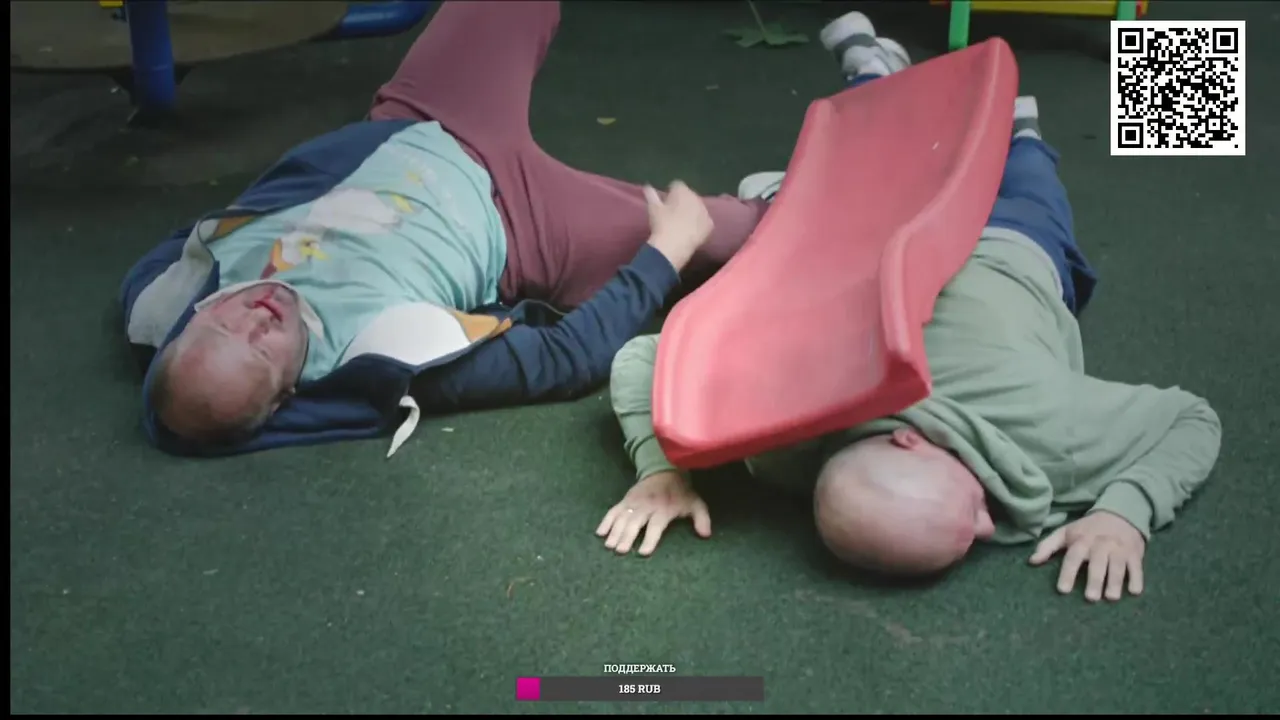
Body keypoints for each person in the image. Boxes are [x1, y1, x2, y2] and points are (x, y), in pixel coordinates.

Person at [597, 12, 1222, 603]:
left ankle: (888, 82)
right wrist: (1124, 512)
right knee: (1009, 169)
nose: (989, 527)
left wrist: (659, 468)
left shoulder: (1048, 427)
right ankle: (1018, 133)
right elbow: (1190, 422)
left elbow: (1193, 419)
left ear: (908, 441)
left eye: (971, 511)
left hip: (1003, 239)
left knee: (905, 174)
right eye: (980, 523)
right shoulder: (783, 433)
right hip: (929, 244)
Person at [119, 1, 774, 458]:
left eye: (223, 326)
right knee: (745, 234)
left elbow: (184, 248)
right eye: (260, 351)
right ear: (287, 394)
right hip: (523, 221)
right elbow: (566, 359)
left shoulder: (163, 295)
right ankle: (774, 196)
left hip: (423, 116)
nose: (254, 318)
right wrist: (665, 252)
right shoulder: (383, 363)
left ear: (192, 318)